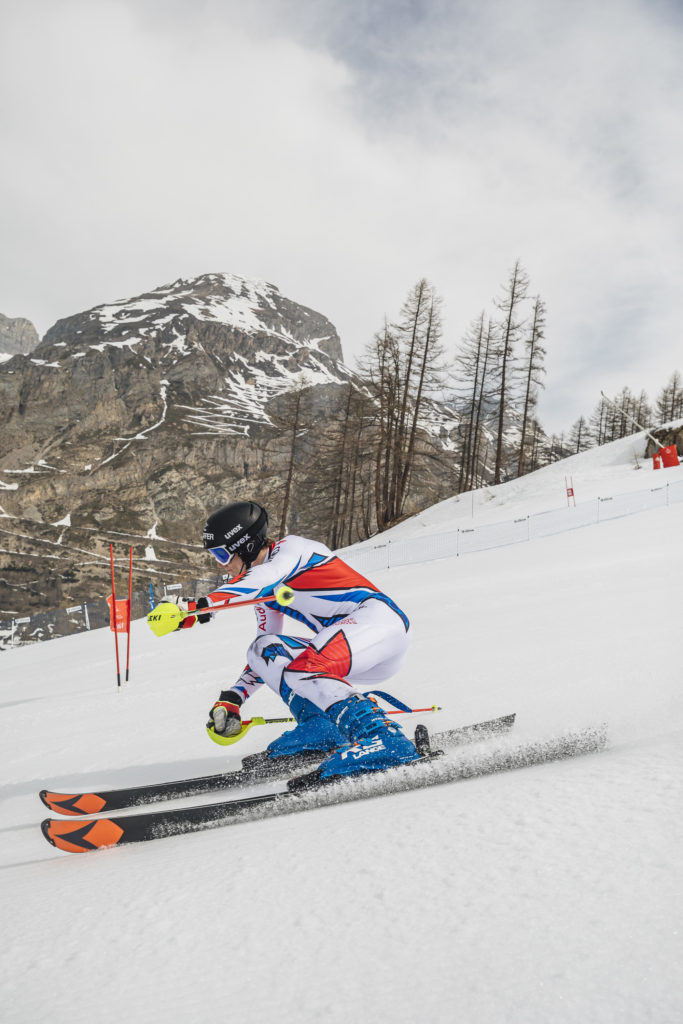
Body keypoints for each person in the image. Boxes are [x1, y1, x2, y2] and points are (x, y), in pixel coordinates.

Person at [172, 499, 419, 779]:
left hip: (380, 623)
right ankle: (322, 728)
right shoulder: (264, 592)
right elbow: (267, 656)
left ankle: (383, 738)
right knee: (263, 648)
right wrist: (235, 697)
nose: (221, 565)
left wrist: (201, 607)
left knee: (305, 668)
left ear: (246, 546)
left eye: (221, 555)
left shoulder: (293, 550)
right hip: (348, 648)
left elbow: (265, 576)